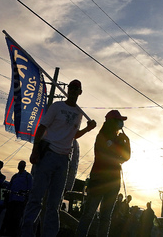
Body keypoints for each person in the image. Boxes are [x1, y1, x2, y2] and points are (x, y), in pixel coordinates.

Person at [20, 79, 96, 237]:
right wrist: (35, 150)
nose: (74, 91)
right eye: (72, 88)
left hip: (63, 160)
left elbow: (73, 135)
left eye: (77, 89)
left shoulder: (79, 113)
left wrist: (87, 129)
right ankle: (27, 232)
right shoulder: (57, 107)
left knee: (54, 204)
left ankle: (49, 234)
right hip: (48, 154)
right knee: (36, 198)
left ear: (80, 92)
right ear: (68, 90)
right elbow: (42, 128)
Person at [75, 110, 131, 237]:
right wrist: (119, 152)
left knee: (106, 217)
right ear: (112, 122)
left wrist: (127, 143)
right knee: (89, 214)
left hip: (113, 181)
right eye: (119, 121)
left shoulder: (120, 139)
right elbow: (108, 156)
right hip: (99, 181)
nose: (121, 124)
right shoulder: (102, 137)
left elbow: (126, 157)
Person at [2, 160, 33, 236]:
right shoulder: (15, 176)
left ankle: (14, 233)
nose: (20, 166)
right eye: (19, 165)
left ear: (24, 166)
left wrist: (26, 198)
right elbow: (9, 188)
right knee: (9, 217)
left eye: (22, 165)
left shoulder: (28, 176)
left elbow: (30, 189)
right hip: (12, 200)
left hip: (20, 201)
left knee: (17, 218)